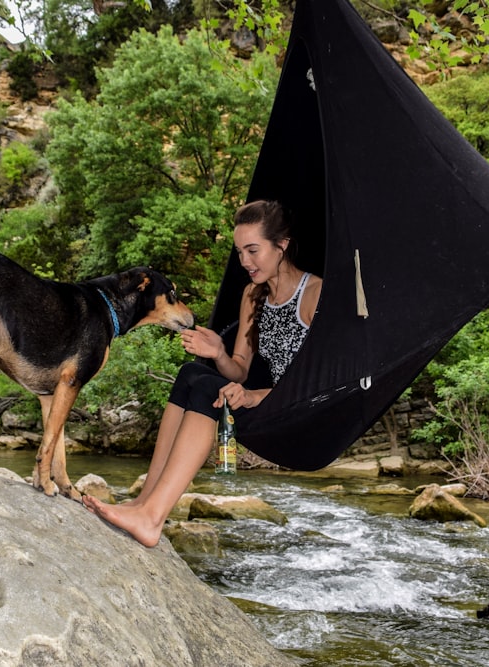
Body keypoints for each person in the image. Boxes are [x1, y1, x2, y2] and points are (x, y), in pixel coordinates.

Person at [82, 200, 322, 546]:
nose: (244, 262)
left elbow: (317, 385)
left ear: (281, 245)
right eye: (239, 252)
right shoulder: (253, 295)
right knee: (192, 374)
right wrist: (219, 352)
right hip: (261, 403)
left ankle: (152, 519)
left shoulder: (314, 295)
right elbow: (238, 371)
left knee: (205, 387)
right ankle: (144, 502)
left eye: (253, 250)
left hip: (298, 411)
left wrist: (254, 395)